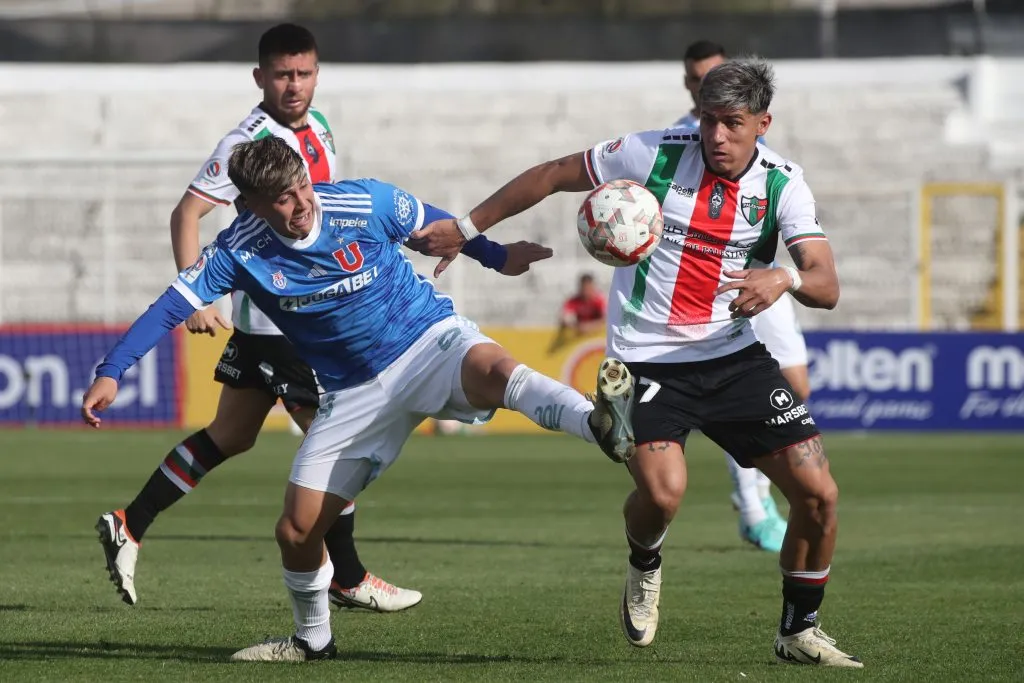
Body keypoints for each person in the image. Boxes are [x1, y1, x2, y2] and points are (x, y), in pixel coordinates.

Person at [81, 135, 636, 661]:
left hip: (426, 341)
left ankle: (596, 422)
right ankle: (313, 641)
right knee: (296, 530)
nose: (302, 203)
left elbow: (436, 229)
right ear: (249, 206)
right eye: (283, 199)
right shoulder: (237, 252)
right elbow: (168, 308)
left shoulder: (364, 202)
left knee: (495, 369)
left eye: (302, 186)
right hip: (352, 394)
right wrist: (111, 372)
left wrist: (496, 255)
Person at [411, 59, 862, 667]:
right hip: (645, 362)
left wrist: (784, 277)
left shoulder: (783, 184)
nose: (716, 136)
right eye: (708, 120)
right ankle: (644, 561)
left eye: (732, 123)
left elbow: (826, 285)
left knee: (820, 496)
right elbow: (553, 173)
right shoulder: (655, 152)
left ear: (762, 124)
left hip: (732, 358)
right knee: (664, 494)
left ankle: (798, 631)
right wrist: (466, 229)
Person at [94, 23, 551, 612]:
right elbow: (187, 213)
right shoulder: (249, 144)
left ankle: (130, 523)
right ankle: (347, 577)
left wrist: (490, 253)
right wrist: (201, 300)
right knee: (337, 444)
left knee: (231, 434)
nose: (294, 85)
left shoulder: (319, 127)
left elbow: (362, 217)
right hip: (288, 322)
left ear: (317, 74)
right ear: (260, 78)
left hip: (295, 314)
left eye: (303, 73)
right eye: (282, 75)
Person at [677, 40, 811, 553]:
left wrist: (782, 275)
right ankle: (753, 504)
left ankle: (754, 491)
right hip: (709, 288)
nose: (703, 86)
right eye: (696, 80)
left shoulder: (759, 149)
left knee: (794, 385)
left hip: (761, 279)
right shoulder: (684, 139)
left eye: (712, 75)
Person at [549, 273, 607, 352]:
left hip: (597, 340)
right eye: (584, 288)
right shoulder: (574, 300)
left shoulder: (599, 300)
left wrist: (589, 327)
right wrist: (574, 325)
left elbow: (606, 319)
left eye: (588, 288)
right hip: (578, 341)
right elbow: (564, 316)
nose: (586, 291)